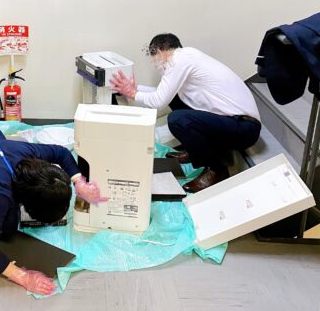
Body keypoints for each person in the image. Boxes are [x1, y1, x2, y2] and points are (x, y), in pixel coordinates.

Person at [0, 127, 106, 295]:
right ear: (30, 208)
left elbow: (62, 153)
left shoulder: (25, 154)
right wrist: (23, 277)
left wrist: (79, 182)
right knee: (5, 231)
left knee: (7, 221)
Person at [110, 33, 261, 192]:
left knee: (177, 119)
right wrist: (135, 89)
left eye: (156, 60)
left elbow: (159, 101)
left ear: (161, 50)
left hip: (244, 129)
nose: (158, 66)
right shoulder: (188, 57)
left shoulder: (179, 59)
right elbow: (162, 93)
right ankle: (195, 151)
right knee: (175, 99)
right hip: (234, 123)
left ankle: (217, 170)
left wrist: (133, 93)